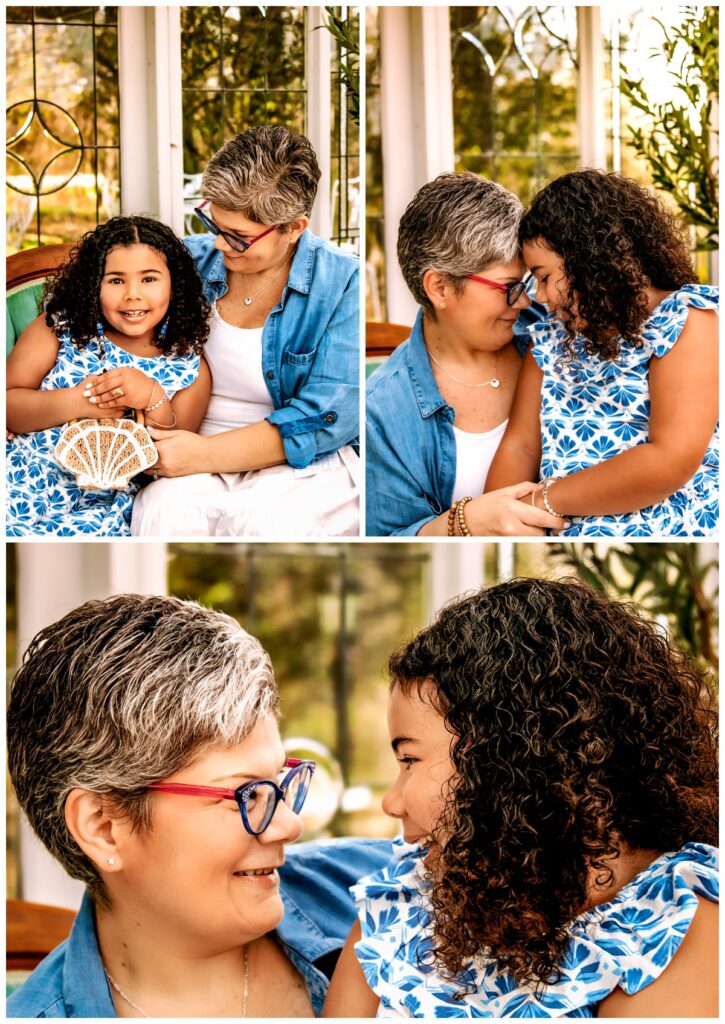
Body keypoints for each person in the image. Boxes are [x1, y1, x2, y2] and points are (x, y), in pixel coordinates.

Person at [325, 578, 719, 1018]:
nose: (391, 803)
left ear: (511, 759)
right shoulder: (399, 908)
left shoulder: (672, 927)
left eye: (409, 760)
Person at [7, 594, 391, 1018]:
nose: (288, 824)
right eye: (246, 794)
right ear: (102, 826)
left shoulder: (389, 888)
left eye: (280, 783)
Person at [131, 125, 360, 537]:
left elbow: (327, 416)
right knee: (161, 511)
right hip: (183, 441)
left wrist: (203, 455)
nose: (217, 245)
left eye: (238, 237)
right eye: (212, 223)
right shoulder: (185, 262)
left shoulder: (344, 283)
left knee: (261, 522)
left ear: (294, 228)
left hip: (299, 462)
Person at [486, 169, 719, 536]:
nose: (540, 299)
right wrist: (502, 516)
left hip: (666, 529)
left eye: (544, 277)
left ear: (591, 258)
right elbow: (520, 447)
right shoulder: (549, 340)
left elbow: (668, 461)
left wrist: (541, 501)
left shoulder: (685, 319)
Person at [365, 172, 566, 537]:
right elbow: (389, 539)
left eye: (527, 283)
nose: (524, 301)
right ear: (440, 287)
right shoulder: (382, 414)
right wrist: (467, 523)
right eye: (508, 288)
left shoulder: (557, 329)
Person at [6, 216, 211, 536]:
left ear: (175, 284)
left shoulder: (188, 366)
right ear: (92, 284)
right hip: (24, 474)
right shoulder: (61, 327)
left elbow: (174, 457)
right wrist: (80, 401)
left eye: (149, 279)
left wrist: (153, 398)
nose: (132, 294)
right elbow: (9, 404)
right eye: (115, 280)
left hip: (104, 502)